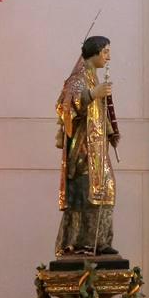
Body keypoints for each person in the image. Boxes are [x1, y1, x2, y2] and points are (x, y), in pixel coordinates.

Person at [55, 35, 120, 256]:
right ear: (95, 52)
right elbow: (66, 107)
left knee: (107, 188)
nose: (108, 57)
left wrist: (111, 133)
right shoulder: (78, 79)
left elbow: (99, 114)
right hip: (83, 150)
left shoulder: (93, 78)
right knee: (83, 193)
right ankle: (77, 242)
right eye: (106, 52)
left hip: (98, 150)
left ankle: (100, 241)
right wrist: (93, 94)